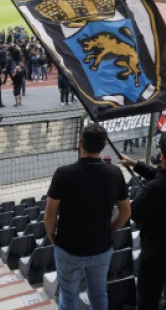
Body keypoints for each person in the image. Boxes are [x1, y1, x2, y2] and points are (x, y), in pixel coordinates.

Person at [44, 124, 131, 310]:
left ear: (80, 143)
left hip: (68, 249)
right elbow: (125, 212)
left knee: (68, 299)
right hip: (101, 247)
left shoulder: (63, 173)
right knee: (99, 295)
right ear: (103, 145)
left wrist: (53, 238)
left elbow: (50, 214)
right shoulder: (114, 173)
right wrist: (110, 229)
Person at [119, 134, 166, 310]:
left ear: (162, 157)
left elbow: (135, 213)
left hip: (157, 254)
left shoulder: (155, 188)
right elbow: (161, 175)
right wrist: (135, 165)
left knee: (148, 297)